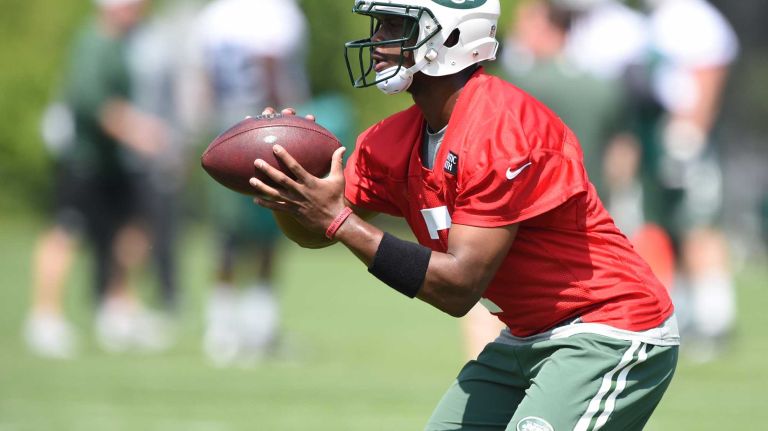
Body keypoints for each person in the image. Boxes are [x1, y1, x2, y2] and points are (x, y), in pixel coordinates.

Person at [249, 0, 678, 429]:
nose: (377, 41)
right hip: (526, 334)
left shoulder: (504, 128)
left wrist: (341, 222)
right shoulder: (390, 140)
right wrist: (288, 191)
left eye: (394, 25)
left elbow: (459, 286)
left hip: (608, 327)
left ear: (451, 35)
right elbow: (316, 232)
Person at [24, 0, 171, 357]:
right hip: (84, 159)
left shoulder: (120, 43)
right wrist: (138, 132)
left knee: (127, 231)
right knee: (66, 230)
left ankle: (117, 308)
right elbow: (93, 102)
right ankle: (44, 316)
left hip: (111, 163)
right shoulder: (95, 43)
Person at [194, 0, 310, 365]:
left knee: (228, 235)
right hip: (267, 129)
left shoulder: (213, 16)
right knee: (270, 227)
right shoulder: (275, 13)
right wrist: (293, 129)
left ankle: (223, 325)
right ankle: (257, 325)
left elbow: (206, 82)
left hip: (225, 130)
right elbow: (270, 68)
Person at [638, 0, 739, 361]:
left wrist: (692, 129)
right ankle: (679, 314)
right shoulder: (657, 17)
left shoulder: (694, 16)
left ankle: (715, 319)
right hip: (656, 129)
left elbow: (709, 73)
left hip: (683, 130)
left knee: (698, 222)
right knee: (665, 227)